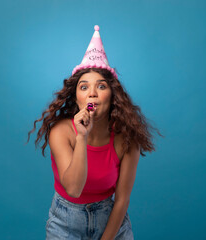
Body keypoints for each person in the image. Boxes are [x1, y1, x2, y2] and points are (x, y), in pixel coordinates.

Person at [27, 25, 163, 239]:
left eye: (101, 86)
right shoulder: (61, 132)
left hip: (111, 222)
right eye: (84, 87)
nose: (92, 93)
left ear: (113, 95)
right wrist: (82, 136)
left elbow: (122, 200)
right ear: (76, 97)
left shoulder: (127, 138)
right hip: (65, 224)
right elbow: (73, 189)